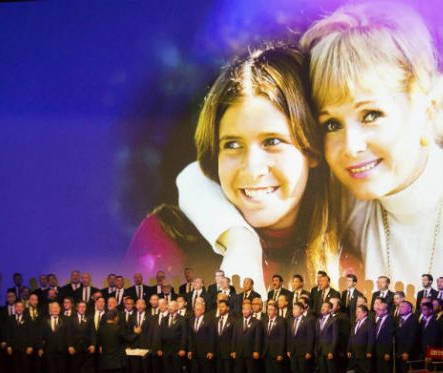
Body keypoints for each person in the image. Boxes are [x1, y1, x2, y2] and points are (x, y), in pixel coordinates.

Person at [177, 1, 443, 300]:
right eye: (331, 123)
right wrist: (240, 241)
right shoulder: (351, 186)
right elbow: (196, 179)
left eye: (371, 115)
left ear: (427, 110)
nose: (351, 147)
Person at [128, 43, 359, 292]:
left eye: (272, 142)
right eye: (233, 145)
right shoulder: (164, 242)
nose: (251, 169)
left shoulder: (344, 271)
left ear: (312, 150)